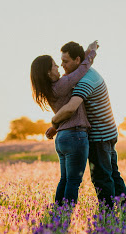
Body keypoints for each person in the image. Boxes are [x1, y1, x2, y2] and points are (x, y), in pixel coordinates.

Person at [46, 41, 126, 209]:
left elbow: (70, 109)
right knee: (112, 173)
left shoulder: (85, 81)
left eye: (65, 61)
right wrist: (91, 50)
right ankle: (125, 208)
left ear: (77, 60)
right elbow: (85, 58)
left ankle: (107, 213)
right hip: (108, 132)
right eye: (60, 61)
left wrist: (54, 122)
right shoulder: (84, 71)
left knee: (101, 177)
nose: (62, 65)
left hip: (100, 136)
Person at [30, 41, 99, 206]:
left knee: (65, 179)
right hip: (75, 136)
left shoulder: (51, 89)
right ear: (48, 72)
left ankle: (58, 214)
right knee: (73, 181)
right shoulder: (62, 84)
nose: (59, 67)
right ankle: (66, 214)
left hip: (62, 138)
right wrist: (91, 52)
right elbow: (83, 68)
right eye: (55, 65)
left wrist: (54, 127)